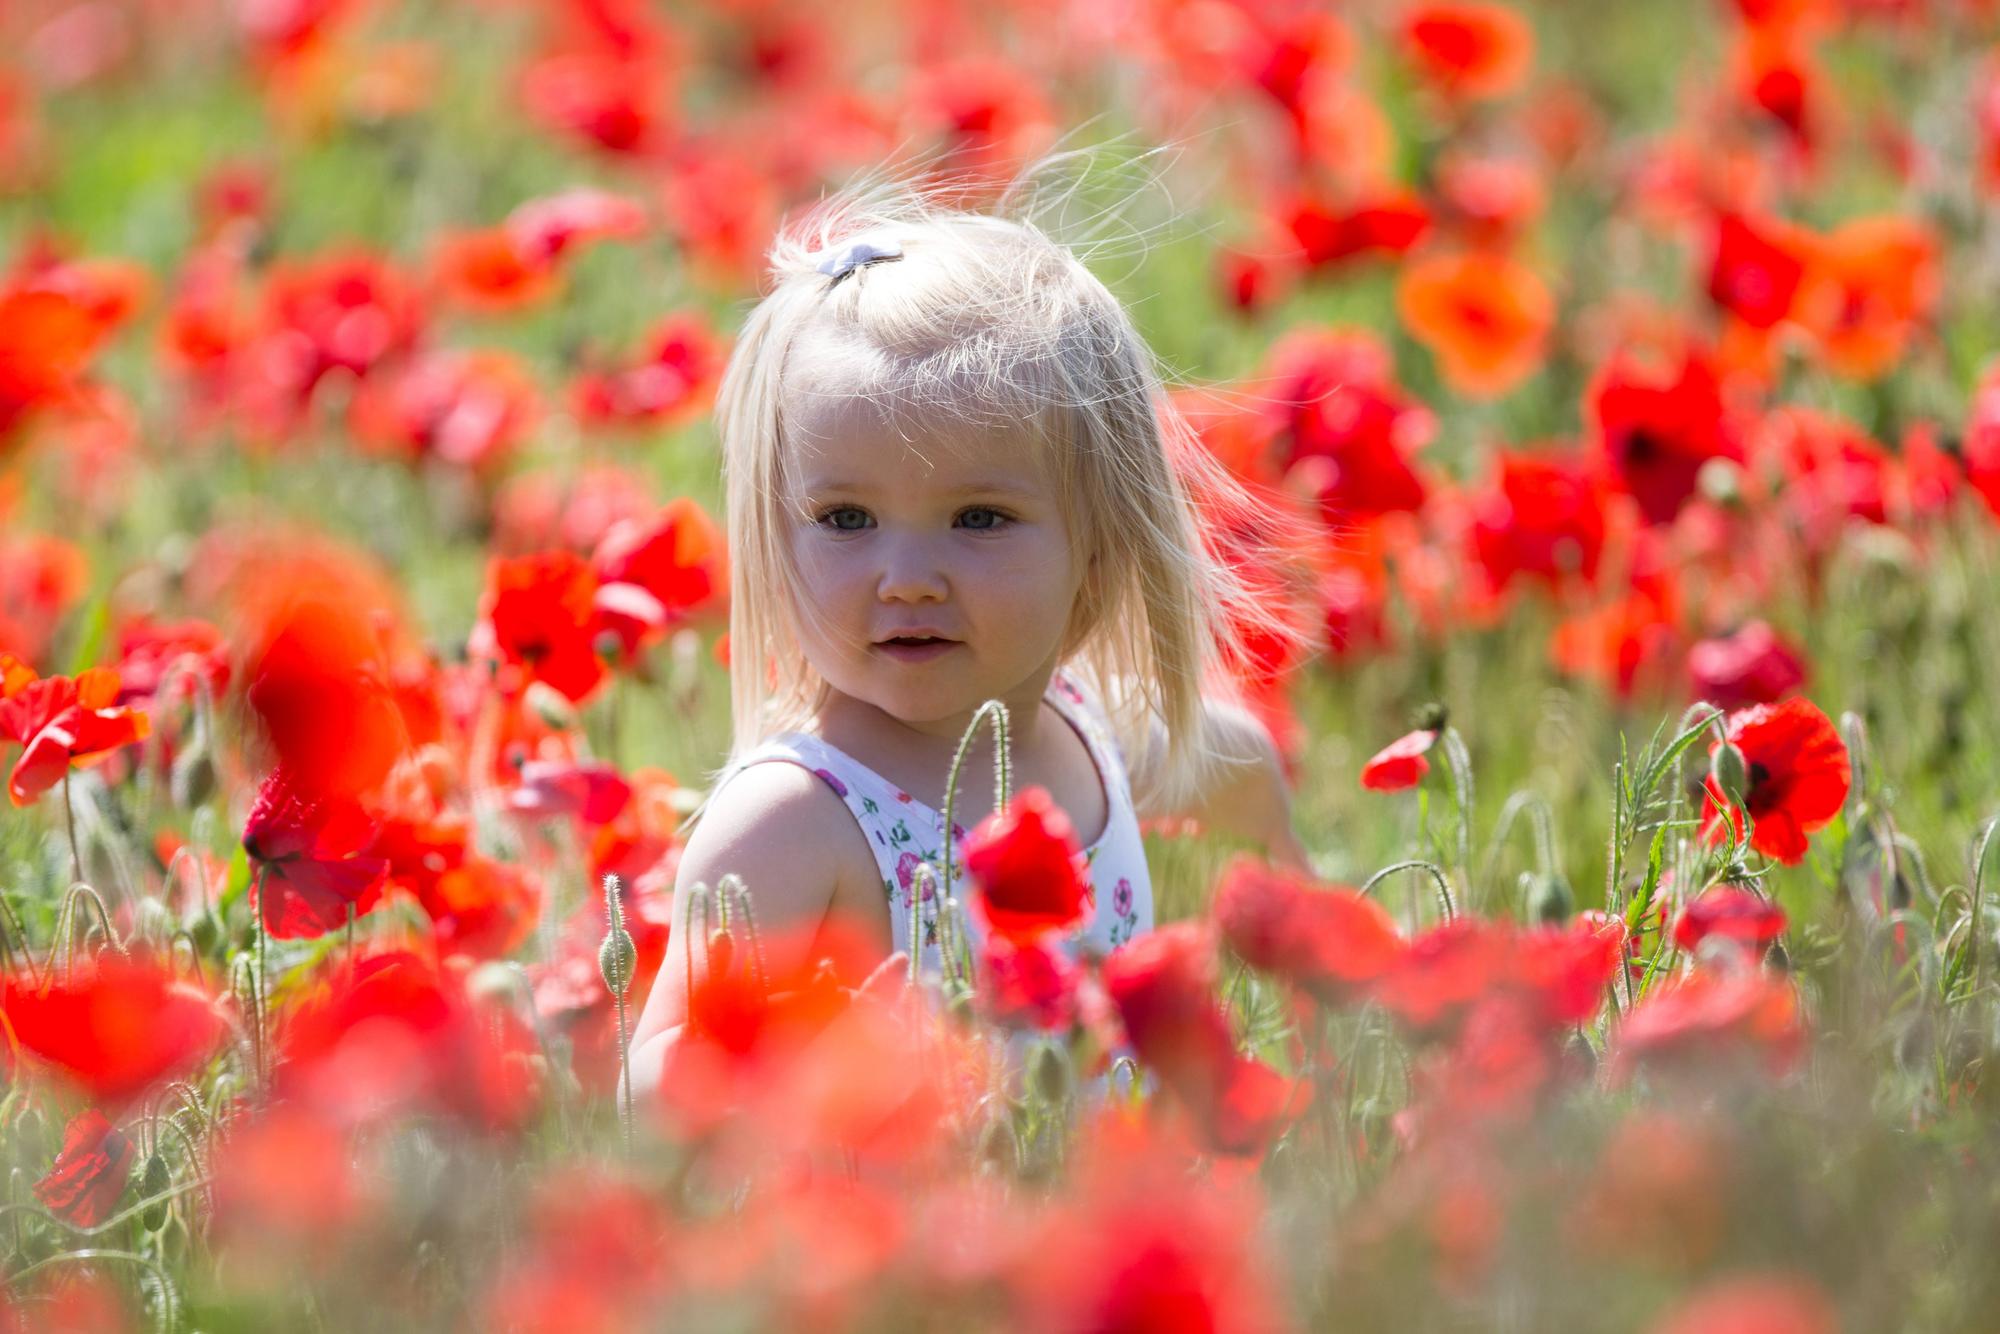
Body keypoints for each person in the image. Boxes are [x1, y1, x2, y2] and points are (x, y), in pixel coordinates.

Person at [629, 170, 1310, 1088]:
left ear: (1100, 553)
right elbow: (658, 1079)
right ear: (772, 536)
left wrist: (1313, 922)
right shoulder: (798, 824)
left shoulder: (1086, 734)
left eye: (979, 518)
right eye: (844, 519)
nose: (907, 579)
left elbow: (1230, 763)